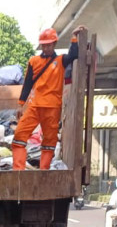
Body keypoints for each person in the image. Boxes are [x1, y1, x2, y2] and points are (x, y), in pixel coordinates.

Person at [13, 25, 86, 170]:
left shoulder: (60, 60)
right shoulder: (34, 61)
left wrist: (73, 36)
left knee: (49, 141)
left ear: (54, 44)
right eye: (43, 45)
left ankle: (43, 172)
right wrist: (21, 104)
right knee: (19, 137)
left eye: (48, 45)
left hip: (52, 107)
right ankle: (18, 171)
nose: (45, 48)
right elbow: (27, 83)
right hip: (35, 105)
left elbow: (74, 55)